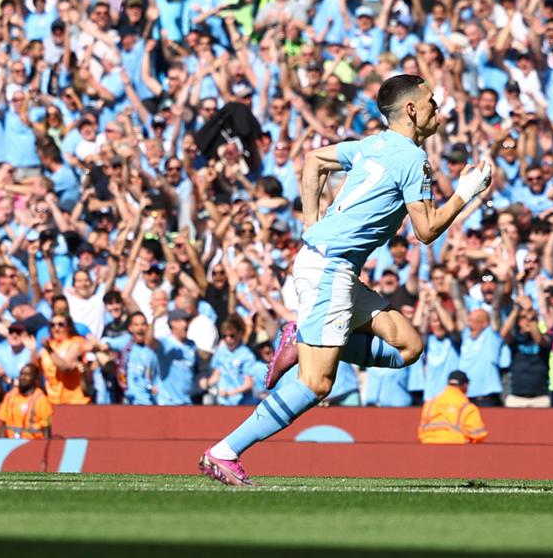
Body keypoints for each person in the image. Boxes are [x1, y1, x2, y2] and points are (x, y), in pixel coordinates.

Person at [200, 74, 493, 485]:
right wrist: (466, 193)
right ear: (411, 109)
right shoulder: (412, 158)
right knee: (317, 382)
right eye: (431, 102)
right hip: (330, 270)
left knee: (409, 346)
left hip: (331, 266)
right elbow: (425, 232)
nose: (437, 110)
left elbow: (313, 160)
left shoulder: (374, 143)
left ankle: (301, 338)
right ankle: (225, 451)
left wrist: (311, 223)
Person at [417, 370, 488, 444]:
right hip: (455, 447)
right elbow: (479, 434)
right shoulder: (467, 407)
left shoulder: (430, 404)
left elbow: (421, 431)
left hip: (428, 445)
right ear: (465, 385)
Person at [0, 363, 52, 439]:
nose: (23, 377)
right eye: (21, 374)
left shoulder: (41, 400)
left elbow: (47, 430)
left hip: (34, 444)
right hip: (10, 444)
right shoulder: (10, 396)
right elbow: (3, 426)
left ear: (35, 379)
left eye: (27, 375)